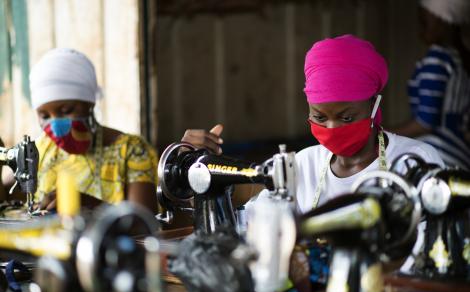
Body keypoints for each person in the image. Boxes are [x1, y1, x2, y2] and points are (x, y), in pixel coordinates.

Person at [186, 34, 444, 214]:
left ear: (374, 105)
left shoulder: (415, 161)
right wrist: (192, 165)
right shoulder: (302, 164)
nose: (332, 128)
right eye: (320, 117)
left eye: (346, 117)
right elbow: (255, 225)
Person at [2, 48, 159, 213]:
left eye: (66, 110)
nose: (55, 124)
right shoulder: (41, 149)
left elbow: (145, 223)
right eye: (44, 116)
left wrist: (91, 205)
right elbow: (6, 194)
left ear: (90, 104)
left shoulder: (132, 151)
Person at [391, 0, 470, 170]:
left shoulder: (437, 57)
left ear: (441, 19)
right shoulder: (461, 60)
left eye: (424, 19)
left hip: (437, 154)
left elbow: (425, 123)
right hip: (461, 155)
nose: (420, 23)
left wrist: (383, 134)